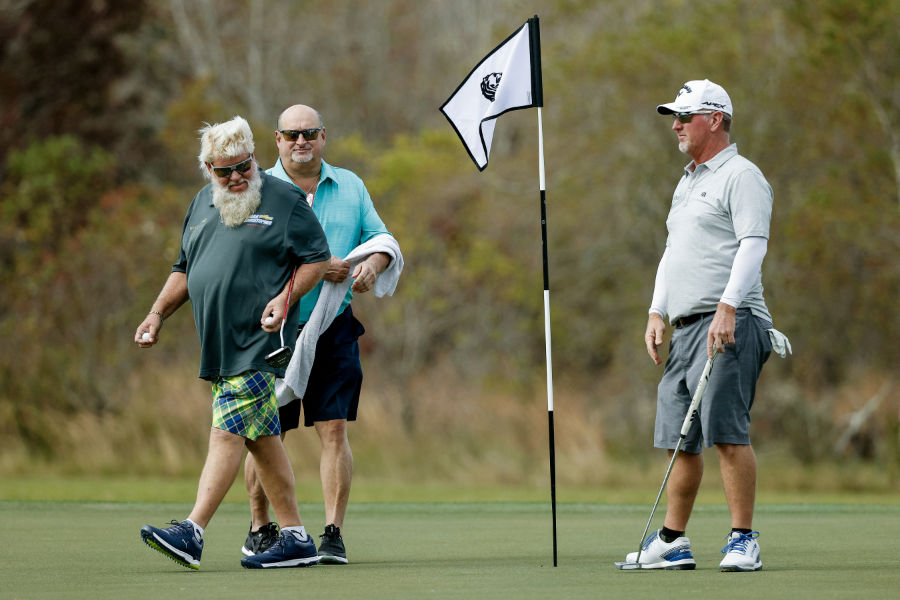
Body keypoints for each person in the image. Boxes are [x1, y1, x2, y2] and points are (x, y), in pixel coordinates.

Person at [134, 116, 331, 570]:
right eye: (224, 171)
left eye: (243, 166)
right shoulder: (202, 203)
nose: (236, 177)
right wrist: (156, 313)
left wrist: (285, 299)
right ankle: (298, 538)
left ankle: (193, 531)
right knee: (262, 439)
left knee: (227, 431)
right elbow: (184, 269)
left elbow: (317, 260)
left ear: (254, 159)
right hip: (218, 348)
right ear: (208, 170)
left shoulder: (285, 200)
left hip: (260, 342)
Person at [625, 79, 782, 572]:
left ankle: (742, 540)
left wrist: (729, 305)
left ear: (714, 120)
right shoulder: (687, 180)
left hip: (730, 323)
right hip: (687, 326)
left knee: (727, 433)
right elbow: (673, 253)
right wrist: (656, 310)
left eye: (684, 117)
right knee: (678, 438)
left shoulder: (742, 175)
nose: (675, 125)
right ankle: (673, 540)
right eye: (674, 117)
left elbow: (753, 244)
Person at [241, 104, 402, 565]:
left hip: (334, 326)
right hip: (273, 329)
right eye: (291, 135)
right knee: (267, 434)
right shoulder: (259, 190)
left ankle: (332, 534)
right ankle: (260, 526)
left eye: (309, 133)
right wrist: (315, 267)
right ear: (277, 140)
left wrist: (371, 264)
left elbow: (382, 238)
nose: (300, 142)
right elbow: (249, 257)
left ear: (323, 136)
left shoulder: (350, 185)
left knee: (334, 429)